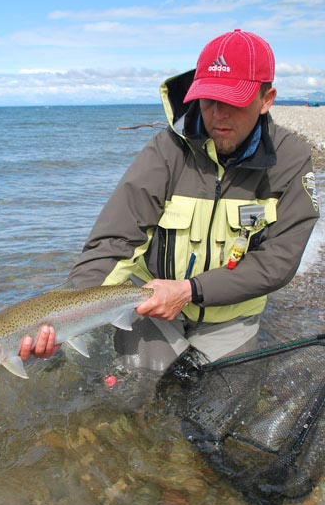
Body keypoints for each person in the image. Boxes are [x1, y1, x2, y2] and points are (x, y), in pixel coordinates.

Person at [19, 29, 319, 367]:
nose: (218, 115)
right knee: (132, 394)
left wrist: (190, 290)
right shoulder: (167, 149)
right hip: (153, 310)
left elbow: (278, 261)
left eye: (233, 101)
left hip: (231, 315)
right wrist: (68, 314)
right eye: (209, 100)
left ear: (266, 99)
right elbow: (117, 240)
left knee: (222, 407)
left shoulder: (289, 158)